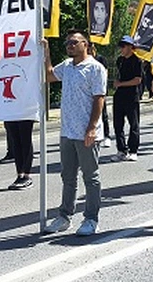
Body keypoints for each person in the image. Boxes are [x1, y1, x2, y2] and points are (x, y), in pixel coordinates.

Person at [42, 32, 106, 235]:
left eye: (73, 42)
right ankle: (64, 216)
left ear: (85, 44)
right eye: (67, 43)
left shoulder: (95, 68)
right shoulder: (67, 66)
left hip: (86, 132)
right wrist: (46, 52)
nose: (69, 46)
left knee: (90, 177)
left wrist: (92, 127)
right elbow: (49, 75)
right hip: (68, 131)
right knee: (68, 176)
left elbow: (99, 99)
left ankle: (91, 219)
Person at [112, 35, 144, 161]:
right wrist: (117, 83)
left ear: (131, 47)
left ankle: (133, 149)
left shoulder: (137, 61)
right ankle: (121, 149)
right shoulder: (120, 60)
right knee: (118, 124)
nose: (122, 49)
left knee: (133, 124)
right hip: (119, 95)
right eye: (121, 46)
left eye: (124, 46)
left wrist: (121, 84)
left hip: (132, 95)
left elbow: (138, 80)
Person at [2, 114, 36, 189]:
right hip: (11, 110)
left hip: (25, 110)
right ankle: (20, 174)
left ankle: (26, 175)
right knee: (15, 141)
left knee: (25, 139)